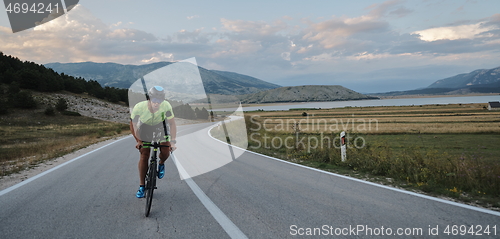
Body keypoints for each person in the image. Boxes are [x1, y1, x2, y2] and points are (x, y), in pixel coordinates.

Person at [129, 86, 177, 198]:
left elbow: (172, 124)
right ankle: (142, 186)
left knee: (166, 151)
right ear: (149, 99)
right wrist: (139, 141)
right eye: (154, 100)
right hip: (145, 128)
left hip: (161, 127)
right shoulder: (139, 107)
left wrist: (173, 142)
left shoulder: (166, 106)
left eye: (160, 101)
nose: (157, 103)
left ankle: (161, 163)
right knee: (144, 155)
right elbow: (133, 124)